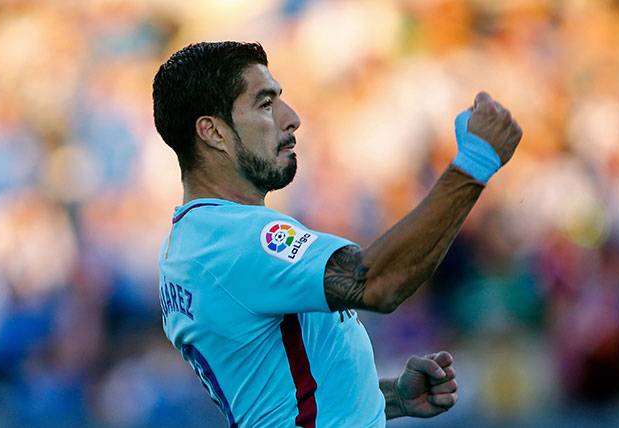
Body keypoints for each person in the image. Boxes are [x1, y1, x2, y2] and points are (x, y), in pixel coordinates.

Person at [152, 41, 522, 427]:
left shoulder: (189, 244)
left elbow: (273, 391)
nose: (291, 118)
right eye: (265, 104)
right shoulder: (237, 240)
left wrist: (390, 398)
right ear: (213, 132)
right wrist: (474, 163)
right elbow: (379, 282)